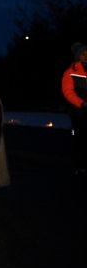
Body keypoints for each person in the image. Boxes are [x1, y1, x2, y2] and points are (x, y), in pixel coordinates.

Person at [61, 42, 87, 175]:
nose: (86, 56)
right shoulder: (70, 72)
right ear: (78, 56)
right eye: (83, 53)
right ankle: (80, 166)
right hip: (78, 113)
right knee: (79, 139)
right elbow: (68, 92)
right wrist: (82, 103)